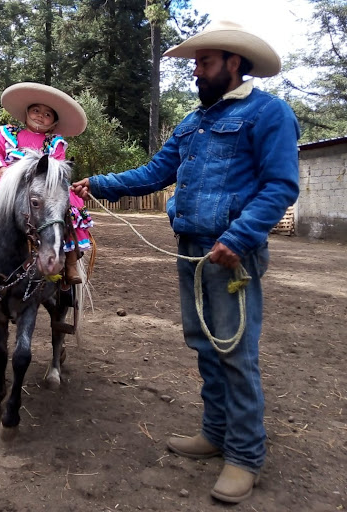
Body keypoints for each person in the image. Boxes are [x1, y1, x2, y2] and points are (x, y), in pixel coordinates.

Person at [72, 21, 300, 503]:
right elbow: (157, 171)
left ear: (234, 63)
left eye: (205, 62)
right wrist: (101, 183)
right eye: (195, 63)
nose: (196, 71)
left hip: (231, 254)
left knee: (235, 353)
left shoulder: (269, 114)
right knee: (203, 343)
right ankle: (215, 432)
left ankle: (244, 455)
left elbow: (279, 186)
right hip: (191, 250)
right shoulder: (193, 122)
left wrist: (239, 237)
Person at [0, 82, 93, 284]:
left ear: (54, 122)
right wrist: (1, 169)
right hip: (5, 180)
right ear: (26, 112)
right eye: (36, 110)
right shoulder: (8, 133)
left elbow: (58, 166)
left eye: (47, 114)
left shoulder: (55, 142)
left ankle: (71, 264)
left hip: (43, 186)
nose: (40, 115)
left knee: (68, 211)